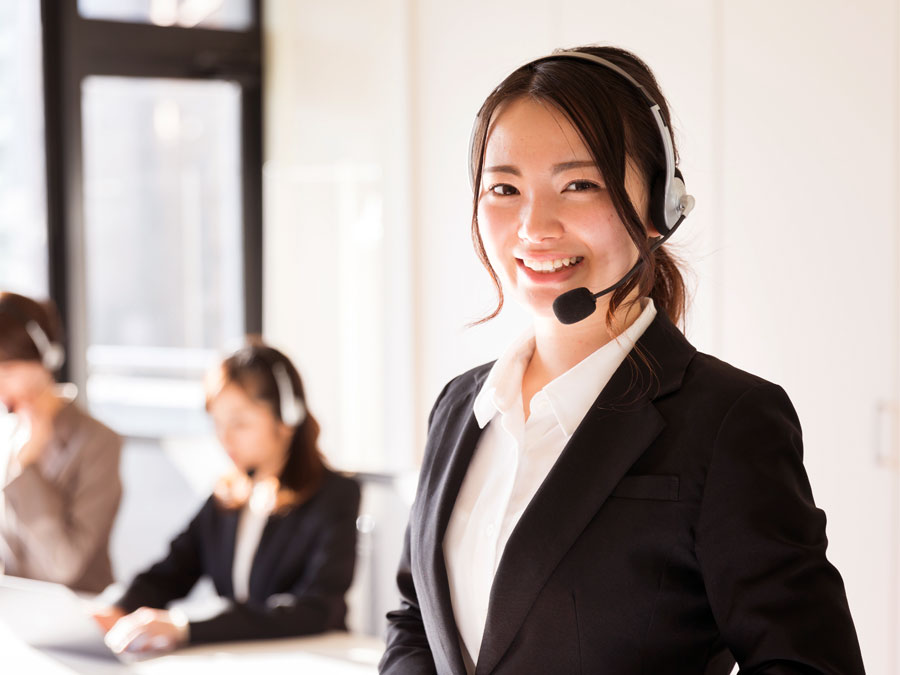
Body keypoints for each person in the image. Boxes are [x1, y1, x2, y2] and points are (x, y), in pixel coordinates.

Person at [379, 46, 865, 674]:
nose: (534, 226)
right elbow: (415, 617)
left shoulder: (728, 422)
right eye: (504, 188)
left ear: (660, 204)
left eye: (579, 184)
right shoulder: (460, 407)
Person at [94, 342, 361, 654]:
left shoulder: (335, 496)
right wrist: (117, 608)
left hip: (313, 659)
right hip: (241, 659)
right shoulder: (228, 497)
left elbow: (315, 609)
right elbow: (170, 572)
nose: (225, 438)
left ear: (287, 418)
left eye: (240, 423)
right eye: (218, 424)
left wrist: (185, 626)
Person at [0, 292, 122, 593]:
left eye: (7, 371)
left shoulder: (98, 441)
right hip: (15, 622)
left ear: (46, 360)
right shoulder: (6, 432)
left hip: (77, 618)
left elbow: (64, 565)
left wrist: (26, 466)